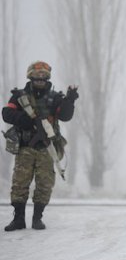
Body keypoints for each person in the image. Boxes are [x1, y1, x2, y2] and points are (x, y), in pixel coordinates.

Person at [2, 61, 78, 231]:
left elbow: (65, 116)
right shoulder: (19, 96)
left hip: (46, 147)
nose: (40, 78)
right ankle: (19, 219)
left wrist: (70, 99)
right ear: (30, 76)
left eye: (44, 75)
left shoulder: (55, 98)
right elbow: (6, 113)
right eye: (37, 75)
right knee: (20, 183)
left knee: (45, 183)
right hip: (25, 147)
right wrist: (25, 120)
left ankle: (38, 218)